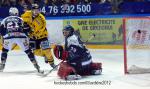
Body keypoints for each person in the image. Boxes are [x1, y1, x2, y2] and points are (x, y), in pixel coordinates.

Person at [0, 7, 43, 73]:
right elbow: (27, 28)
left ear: (10, 13)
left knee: (5, 50)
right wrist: (28, 35)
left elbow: (1, 31)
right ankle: (36, 66)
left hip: (9, 37)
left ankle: (2, 65)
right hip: (21, 36)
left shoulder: (5, 19)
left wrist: (3, 38)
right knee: (28, 51)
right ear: (17, 13)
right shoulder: (21, 19)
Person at [21, 4, 56, 68]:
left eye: (38, 10)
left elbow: (41, 29)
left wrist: (32, 32)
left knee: (47, 50)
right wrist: (24, 25)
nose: (37, 12)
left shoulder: (41, 18)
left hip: (42, 36)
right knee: (35, 52)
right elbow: (21, 18)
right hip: (33, 37)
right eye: (35, 10)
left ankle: (52, 63)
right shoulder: (27, 14)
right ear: (32, 10)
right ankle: (45, 56)